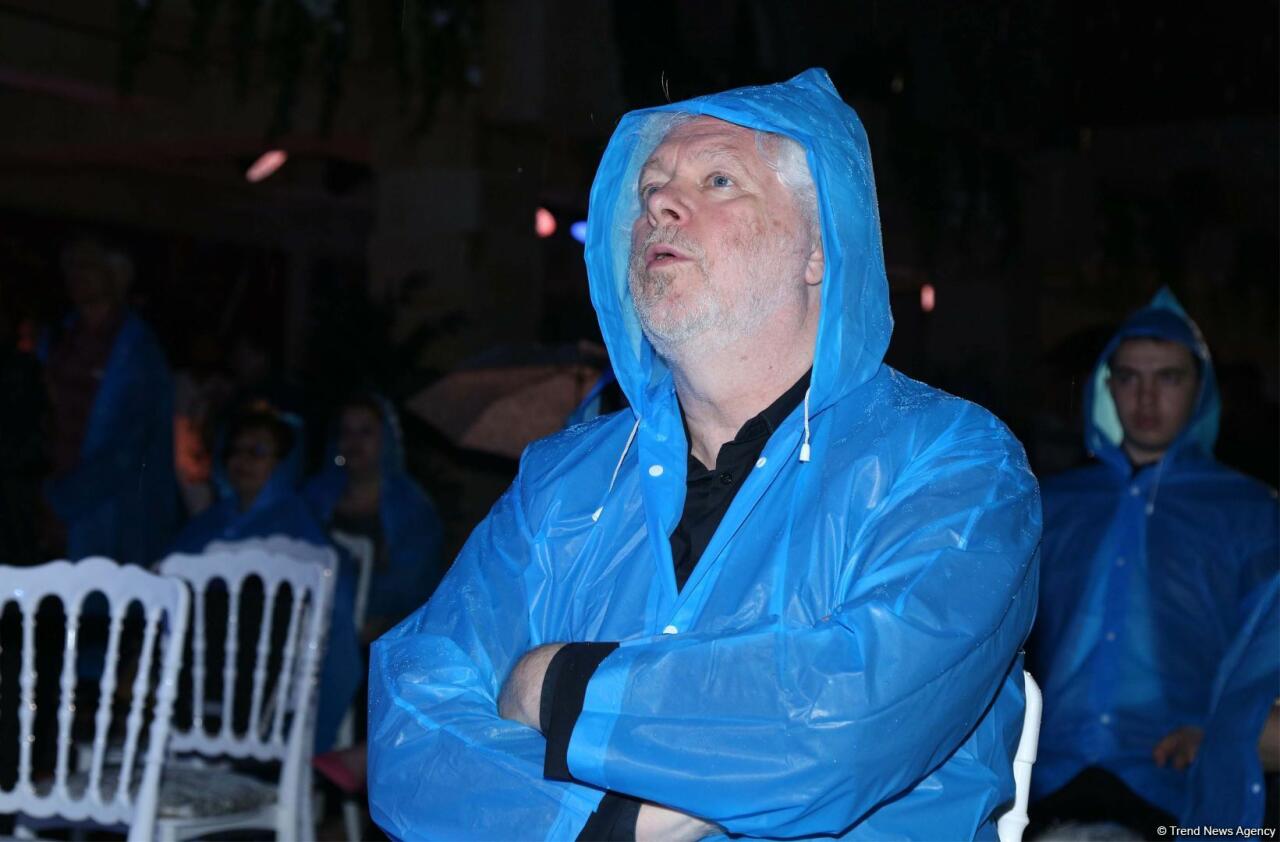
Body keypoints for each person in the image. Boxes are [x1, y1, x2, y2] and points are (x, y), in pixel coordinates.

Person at [367, 69, 1040, 840]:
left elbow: (845, 717)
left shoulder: (952, 463)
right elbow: (410, 722)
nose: (658, 204)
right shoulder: (568, 481)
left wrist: (552, 683)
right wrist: (613, 823)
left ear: (820, 249)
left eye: (719, 180)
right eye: (650, 186)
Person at [1030, 288, 1279, 833]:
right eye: (1128, 377)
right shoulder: (1049, 503)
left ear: (1201, 389)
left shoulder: (1251, 513)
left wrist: (1228, 732)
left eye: (1168, 377)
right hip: (1043, 779)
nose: (1145, 398)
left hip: (1179, 785)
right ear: (1106, 386)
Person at [170, 407, 362, 752]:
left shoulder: (296, 526)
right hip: (196, 673)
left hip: (265, 684)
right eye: (235, 450)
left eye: (257, 451)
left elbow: (332, 613)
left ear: (283, 463)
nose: (242, 460)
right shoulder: (211, 521)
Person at [41, 238, 176, 565]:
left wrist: (63, 500)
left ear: (118, 277)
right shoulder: (56, 338)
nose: (77, 274)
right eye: (71, 267)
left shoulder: (139, 350)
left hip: (111, 511)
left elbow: (132, 445)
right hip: (47, 497)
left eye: (89, 266)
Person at [303, 393, 445, 642]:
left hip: (386, 640)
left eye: (365, 432)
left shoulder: (411, 507)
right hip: (314, 629)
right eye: (346, 432)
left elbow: (417, 585)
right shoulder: (316, 496)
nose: (354, 442)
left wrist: (381, 625)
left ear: (386, 439)